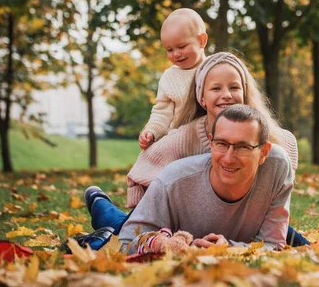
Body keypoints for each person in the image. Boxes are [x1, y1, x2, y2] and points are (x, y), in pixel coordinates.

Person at [81, 53, 307, 249]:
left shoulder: (264, 137)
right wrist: (145, 201)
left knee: (281, 231)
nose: (226, 94)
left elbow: (281, 162)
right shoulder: (184, 138)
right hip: (181, 215)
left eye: (234, 87)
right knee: (121, 227)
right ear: (202, 97)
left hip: (241, 212)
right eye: (216, 88)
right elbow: (146, 166)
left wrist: (279, 180)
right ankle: (101, 205)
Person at [118, 105, 293, 254]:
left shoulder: (276, 166)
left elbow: (274, 245)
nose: (229, 158)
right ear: (210, 143)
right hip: (166, 226)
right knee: (113, 226)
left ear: (263, 152)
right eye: (222, 144)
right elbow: (125, 244)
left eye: (243, 147)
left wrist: (229, 249)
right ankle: (105, 208)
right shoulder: (172, 181)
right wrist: (183, 248)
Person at [138, 8, 208, 150]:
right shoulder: (169, 78)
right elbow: (161, 113)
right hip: (179, 145)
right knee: (147, 165)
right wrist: (151, 131)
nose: (176, 54)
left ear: (201, 40)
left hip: (213, 141)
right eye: (169, 50)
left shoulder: (217, 70)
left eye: (181, 46)